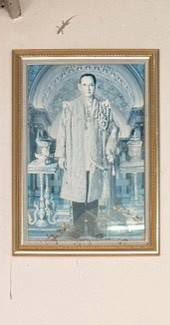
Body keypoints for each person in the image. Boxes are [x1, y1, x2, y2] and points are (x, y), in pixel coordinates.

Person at [49, 72, 124, 239]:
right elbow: (62, 132)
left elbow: (113, 130)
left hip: (95, 157)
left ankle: (92, 228)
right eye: (85, 85)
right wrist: (61, 155)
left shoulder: (103, 107)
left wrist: (109, 149)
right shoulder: (70, 107)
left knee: (93, 193)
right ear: (79, 87)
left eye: (91, 85)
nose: (88, 88)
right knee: (77, 193)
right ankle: (77, 228)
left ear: (95, 87)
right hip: (76, 156)